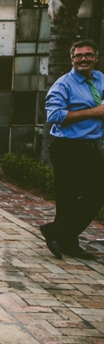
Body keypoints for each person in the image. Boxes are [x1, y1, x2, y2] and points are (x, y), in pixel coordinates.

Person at [41, 39, 104, 260]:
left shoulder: (100, 80)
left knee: (96, 194)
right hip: (68, 147)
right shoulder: (63, 85)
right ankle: (67, 240)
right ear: (72, 59)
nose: (83, 59)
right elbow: (54, 116)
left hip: (90, 146)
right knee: (69, 197)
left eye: (88, 55)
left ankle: (59, 233)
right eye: (79, 55)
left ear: (96, 57)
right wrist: (94, 112)